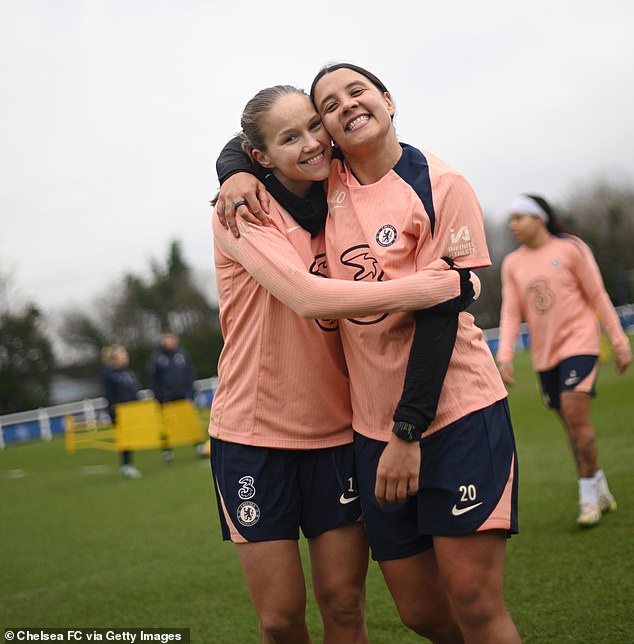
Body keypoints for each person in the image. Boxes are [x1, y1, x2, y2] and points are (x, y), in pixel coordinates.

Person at [216, 64, 520, 643]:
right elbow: (309, 294)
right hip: (315, 431)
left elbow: (438, 325)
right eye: (327, 106)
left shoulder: (437, 183)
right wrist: (231, 170)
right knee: (413, 613)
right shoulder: (292, 193)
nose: (315, 136)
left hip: (427, 414)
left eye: (353, 94)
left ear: (387, 98)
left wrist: (408, 427)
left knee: (461, 603)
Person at [497, 194, 632, 527]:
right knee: (571, 426)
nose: (513, 224)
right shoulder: (512, 264)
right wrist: (505, 355)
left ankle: (587, 499)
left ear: (538, 218)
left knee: (575, 413)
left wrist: (619, 342)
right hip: (545, 356)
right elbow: (512, 310)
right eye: (511, 219)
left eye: (519, 217)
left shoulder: (571, 249)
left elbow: (598, 296)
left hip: (580, 343)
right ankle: (598, 486)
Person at [147, 331, 205, 461]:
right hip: (167, 399)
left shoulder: (182, 354)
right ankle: (167, 451)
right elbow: (154, 380)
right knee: (167, 425)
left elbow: (190, 374)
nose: (170, 342)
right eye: (167, 339)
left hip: (184, 396)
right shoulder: (157, 358)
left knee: (190, 422)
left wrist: (192, 393)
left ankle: (199, 446)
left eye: (172, 339)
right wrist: (159, 397)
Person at [101, 344, 142, 479]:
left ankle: (128, 465)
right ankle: (126, 465)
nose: (126, 356)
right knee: (124, 438)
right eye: (122, 354)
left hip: (131, 410)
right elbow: (111, 395)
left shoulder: (128, 373)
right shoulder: (110, 374)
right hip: (119, 412)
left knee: (129, 437)